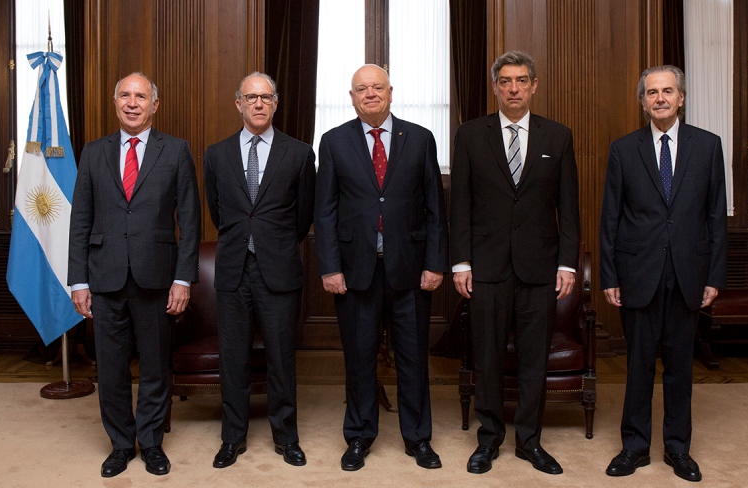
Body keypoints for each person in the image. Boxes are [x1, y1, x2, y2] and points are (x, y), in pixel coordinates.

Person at [450, 50, 580, 476]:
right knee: (486, 357)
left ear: (534, 85)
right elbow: (461, 205)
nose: (513, 88)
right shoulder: (470, 135)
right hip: (486, 268)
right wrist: (460, 263)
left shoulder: (557, 137)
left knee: (532, 358)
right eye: (505, 81)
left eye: (521, 80)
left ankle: (529, 441)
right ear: (495, 87)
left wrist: (567, 264)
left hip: (540, 269)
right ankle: (488, 440)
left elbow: (569, 208)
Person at [314, 64, 449, 471]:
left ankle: (417, 438)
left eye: (377, 87)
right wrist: (329, 267)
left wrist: (436, 263)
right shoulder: (334, 141)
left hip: (410, 269)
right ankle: (358, 436)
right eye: (362, 89)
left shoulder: (420, 138)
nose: (370, 94)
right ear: (351, 97)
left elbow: (434, 209)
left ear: (391, 92)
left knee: (412, 358)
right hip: (355, 271)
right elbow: (325, 211)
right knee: (359, 358)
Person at [68, 72, 201, 477]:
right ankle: (121, 444)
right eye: (124, 95)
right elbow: (80, 220)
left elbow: (191, 222)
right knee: (110, 368)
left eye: (140, 96)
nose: (132, 102)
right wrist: (78, 281)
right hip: (103, 276)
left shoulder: (176, 151)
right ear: (115, 103)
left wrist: (183, 279)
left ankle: (153, 443)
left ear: (154, 105)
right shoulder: (93, 152)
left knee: (156, 365)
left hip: (157, 278)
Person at [600, 65, 727, 482]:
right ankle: (634, 447)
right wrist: (610, 276)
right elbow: (610, 219)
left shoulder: (709, 147)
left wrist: (714, 276)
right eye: (652, 93)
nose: (660, 98)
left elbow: (714, 217)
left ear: (681, 97)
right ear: (642, 102)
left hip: (688, 274)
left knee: (679, 368)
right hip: (638, 274)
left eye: (667, 91)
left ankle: (678, 449)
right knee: (637, 367)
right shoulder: (623, 149)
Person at [204, 72, 315, 469]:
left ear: (275, 103)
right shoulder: (216, 155)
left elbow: (303, 217)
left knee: (282, 359)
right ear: (238, 103)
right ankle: (232, 438)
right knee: (232, 358)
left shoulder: (300, 154)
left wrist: (273, 242)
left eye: (265, 97)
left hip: (279, 270)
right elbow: (218, 213)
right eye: (250, 97)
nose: (258, 104)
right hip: (233, 270)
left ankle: (287, 438)